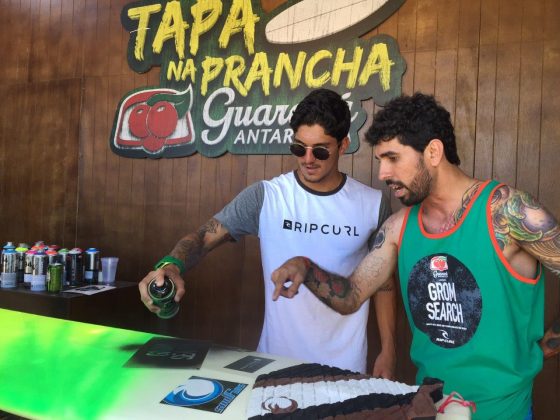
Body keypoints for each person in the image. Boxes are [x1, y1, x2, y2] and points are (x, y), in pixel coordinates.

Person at [271, 93, 560, 419]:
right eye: (380, 160)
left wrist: (545, 347)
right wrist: (306, 268)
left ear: (433, 152)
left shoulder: (506, 212)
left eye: (392, 158)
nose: (382, 173)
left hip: (505, 411)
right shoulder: (398, 229)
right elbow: (351, 295)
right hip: (429, 407)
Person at [139, 88, 397, 376]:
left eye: (320, 150)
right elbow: (203, 237)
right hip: (275, 365)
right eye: (299, 148)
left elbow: (383, 283)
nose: (308, 159)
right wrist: (172, 265)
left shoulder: (372, 205)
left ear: (344, 144)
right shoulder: (267, 197)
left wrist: (388, 349)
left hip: (345, 367)